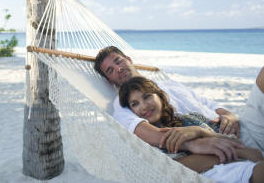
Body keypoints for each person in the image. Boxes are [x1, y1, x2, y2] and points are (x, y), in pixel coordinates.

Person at [93, 46, 264, 180]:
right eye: (110, 70)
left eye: (118, 61)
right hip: (216, 152)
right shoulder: (123, 106)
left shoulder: (170, 84)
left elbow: (208, 103)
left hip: (239, 129)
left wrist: (229, 114)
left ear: (128, 60)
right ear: (109, 80)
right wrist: (195, 139)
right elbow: (158, 137)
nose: (118, 68)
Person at [118, 76, 264, 182]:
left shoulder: (190, 118)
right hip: (215, 173)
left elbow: (245, 148)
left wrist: (200, 131)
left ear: (160, 97)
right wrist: (235, 152)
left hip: (241, 158)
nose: (143, 106)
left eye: (147, 96)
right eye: (135, 104)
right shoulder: (148, 142)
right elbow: (176, 170)